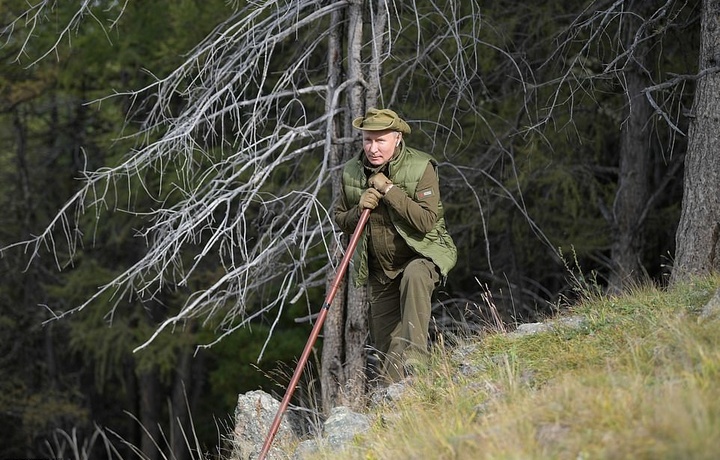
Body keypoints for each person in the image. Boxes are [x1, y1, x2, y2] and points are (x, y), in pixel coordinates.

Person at [334, 108, 457, 383]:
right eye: (367, 140)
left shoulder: (421, 167)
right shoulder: (352, 172)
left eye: (380, 141)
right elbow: (341, 218)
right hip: (381, 270)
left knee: (414, 276)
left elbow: (426, 221)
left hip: (422, 254)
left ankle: (417, 361)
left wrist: (390, 192)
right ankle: (398, 404)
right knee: (388, 352)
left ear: (397, 138)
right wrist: (358, 209)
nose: (373, 148)